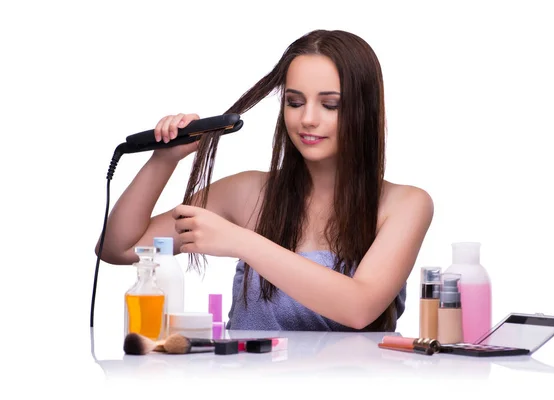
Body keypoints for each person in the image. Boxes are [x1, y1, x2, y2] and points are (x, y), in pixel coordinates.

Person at [96, 29, 434, 332]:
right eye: (294, 102)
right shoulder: (247, 194)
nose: (308, 119)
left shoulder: (404, 205)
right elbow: (120, 248)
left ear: (365, 110)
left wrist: (241, 242)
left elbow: (359, 308)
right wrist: (163, 159)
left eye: (330, 105)